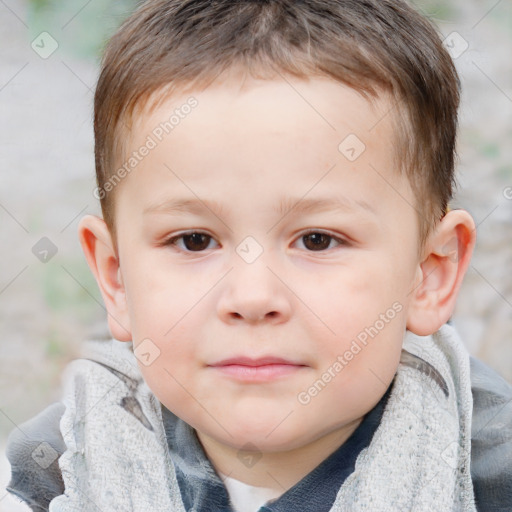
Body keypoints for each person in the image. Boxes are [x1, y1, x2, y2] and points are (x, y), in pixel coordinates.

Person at [5, 0, 512, 510]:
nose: (252, 298)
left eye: (317, 240)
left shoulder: (492, 475)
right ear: (116, 279)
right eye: (194, 240)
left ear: (429, 274)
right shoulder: (54, 473)